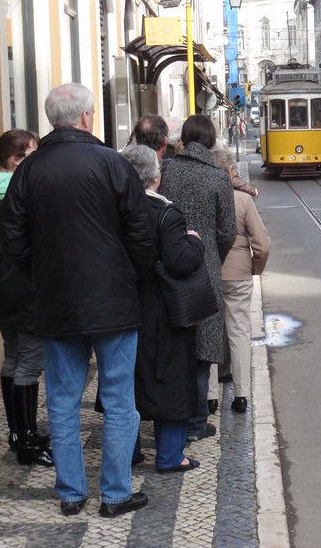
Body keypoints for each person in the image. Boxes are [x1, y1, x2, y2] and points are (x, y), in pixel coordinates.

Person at [1, 83, 154, 518]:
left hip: (56, 303)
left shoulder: (28, 171)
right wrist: (127, 275)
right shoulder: (112, 163)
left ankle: (71, 493)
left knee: (63, 401)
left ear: (53, 120)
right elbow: (141, 233)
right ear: (87, 117)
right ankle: (115, 494)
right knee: (120, 399)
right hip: (113, 302)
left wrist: (42, 273)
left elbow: (11, 237)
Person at [0, 129, 53, 468]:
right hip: (24, 287)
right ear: (17, 159)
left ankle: (17, 433)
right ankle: (28, 441)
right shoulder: (23, 192)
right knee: (30, 363)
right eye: (32, 155)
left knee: (13, 356)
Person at [121, 144, 203, 473]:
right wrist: (194, 241)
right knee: (171, 380)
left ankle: (128, 452)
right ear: (156, 176)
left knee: (125, 380)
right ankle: (170, 455)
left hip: (124, 305)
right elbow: (180, 262)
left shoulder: (114, 208)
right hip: (162, 310)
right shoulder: (166, 213)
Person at [157, 114, 236, 442]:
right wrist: (211, 255)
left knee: (174, 346)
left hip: (166, 267)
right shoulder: (218, 177)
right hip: (206, 270)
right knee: (204, 350)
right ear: (211, 140)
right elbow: (228, 230)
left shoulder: (166, 170)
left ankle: (169, 418)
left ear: (185, 138)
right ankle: (195, 422)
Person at [212, 146, 270, 414]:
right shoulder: (243, 201)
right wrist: (254, 268)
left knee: (211, 333)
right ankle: (241, 396)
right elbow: (262, 244)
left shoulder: (205, 195)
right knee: (238, 334)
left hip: (210, 275)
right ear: (231, 171)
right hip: (239, 276)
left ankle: (211, 397)